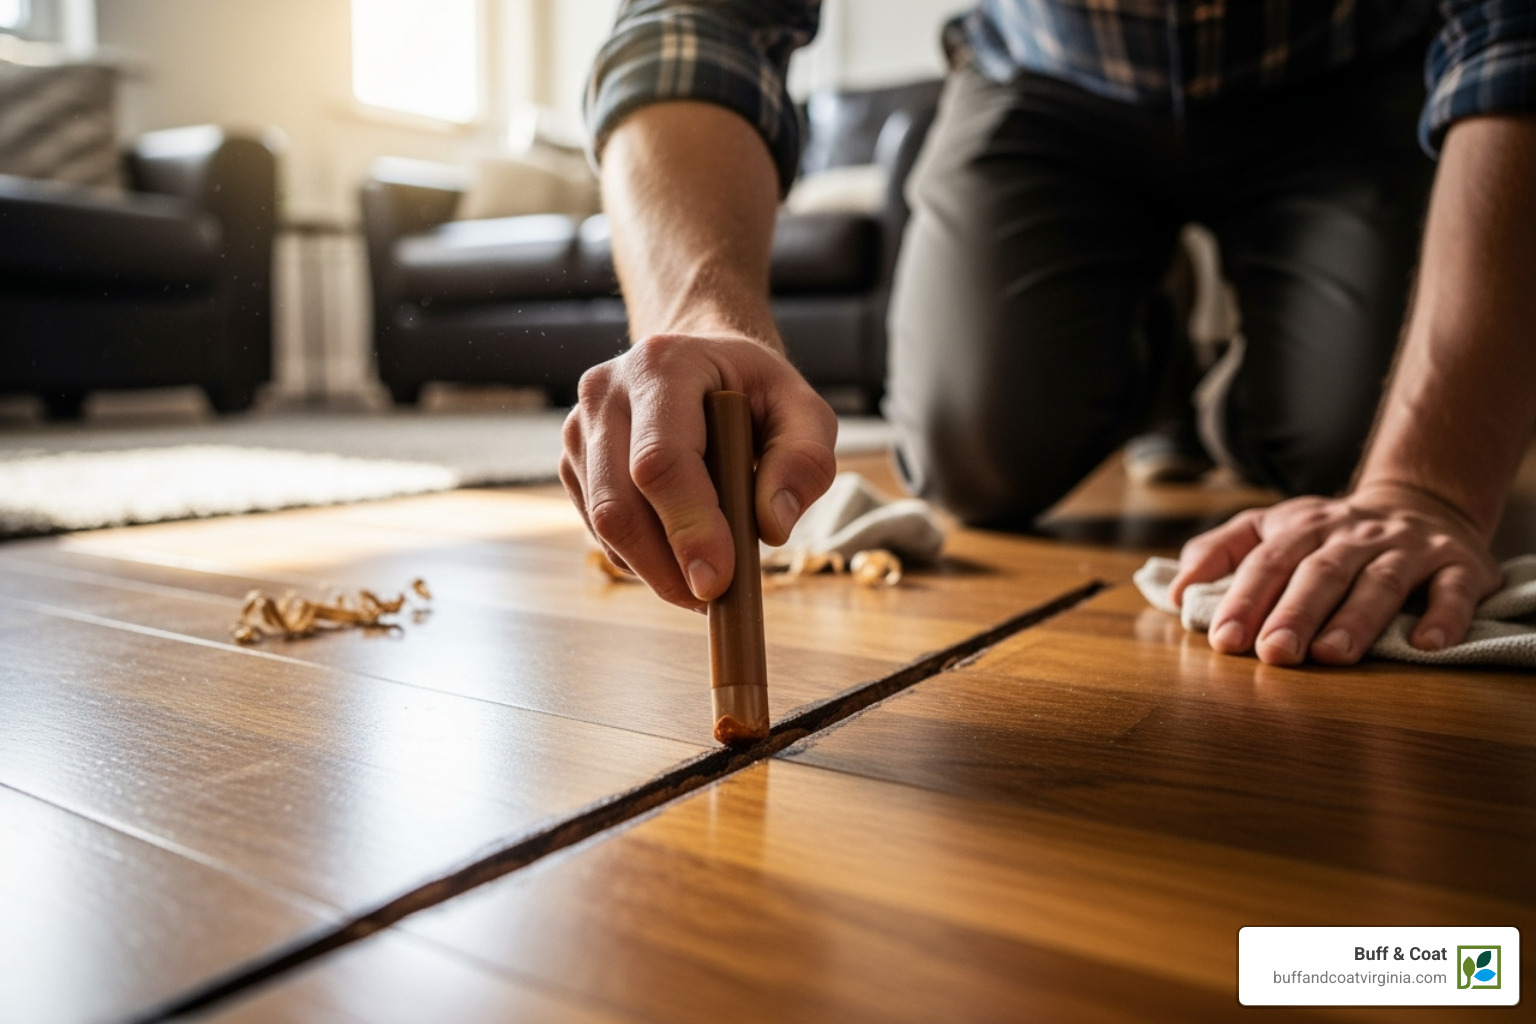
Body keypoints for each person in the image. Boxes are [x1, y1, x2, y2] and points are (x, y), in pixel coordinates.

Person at [559, 0, 1536, 666]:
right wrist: (696, 314)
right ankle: (1141, 354)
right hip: (1046, 83)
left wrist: (1427, 485)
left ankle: (1245, 390)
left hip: (1350, 79)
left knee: (1339, 445)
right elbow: (696, 19)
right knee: (974, 455)